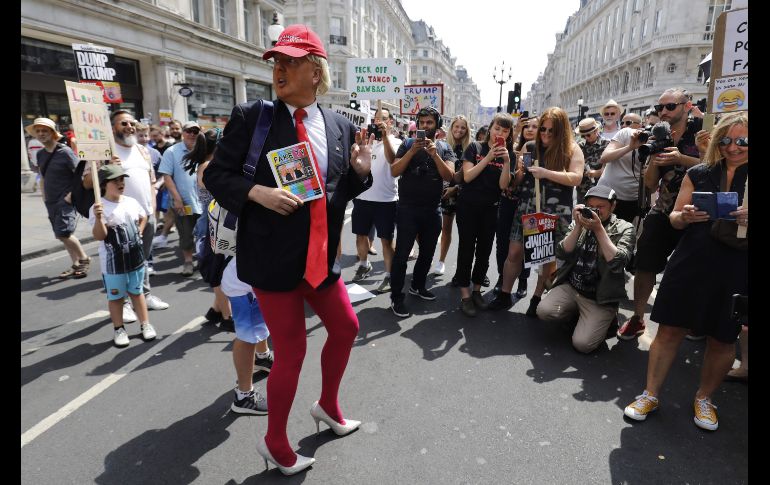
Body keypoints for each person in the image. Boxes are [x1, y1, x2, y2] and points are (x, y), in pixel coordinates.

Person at [203, 24, 372, 475]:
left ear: (316, 71)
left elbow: (337, 193)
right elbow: (216, 177)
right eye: (276, 61)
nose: (279, 68)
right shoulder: (253, 116)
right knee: (291, 353)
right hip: (272, 260)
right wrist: (259, 194)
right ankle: (275, 441)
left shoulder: (339, 125)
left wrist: (360, 172)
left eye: (290, 61)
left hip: (320, 260)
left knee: (346, 326)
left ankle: (328, 406)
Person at [624, 111, 748, 431]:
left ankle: (705, 398)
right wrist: (686, 215)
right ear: (717, 141)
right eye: (727, 140)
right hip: (692, 259)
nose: (734, 147)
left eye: (743, 141)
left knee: (722, 339)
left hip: (737, 267)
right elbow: (674, 217)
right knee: (669, 330)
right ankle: (650, 393)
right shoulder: (702, 172)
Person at [615, 88, 703, 340]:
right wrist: (655, 156)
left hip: (697, 213)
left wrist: (683, 158)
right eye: (659, 107)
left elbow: (717, 167)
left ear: (687, 106)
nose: (663, 112)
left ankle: (695, 319)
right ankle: (638, 317)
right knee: (645, 263)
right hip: (664, 209)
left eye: (670, 106)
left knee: (695, 268)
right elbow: (651, 183)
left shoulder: (703, 131)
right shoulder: (659, 133)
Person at [489, 107, 584, 313]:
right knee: (514, 252)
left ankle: (536, 298)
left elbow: (576, 177)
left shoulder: (572, 149)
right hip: (528, 206)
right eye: (544, 130)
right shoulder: (531, 146)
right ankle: (505, 294)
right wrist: (520, 170)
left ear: (561, 130)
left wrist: (546, 173)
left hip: (554, 210)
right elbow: (520, 178)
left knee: (545, 257)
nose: (546, 134)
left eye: (552, 131)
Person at [536, 185, 635, 353]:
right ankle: (577, 315)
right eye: (591, 206)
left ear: (613, 206)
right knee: (544, 311)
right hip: (572, 287)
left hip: (599, 297)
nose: (595, 211)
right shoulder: (580, 221)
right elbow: (562, 252)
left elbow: (618, 263)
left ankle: (607, 320)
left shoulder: (624, 228)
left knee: (583, 345)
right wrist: (577, 227)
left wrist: (598, 229)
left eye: (601, 207)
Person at [389, 106, 456, 318]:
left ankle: (417, 286)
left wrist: (435, 155)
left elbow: (450, 176)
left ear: (437, 125)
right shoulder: (407, 144)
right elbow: (394, 171)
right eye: (422, 122)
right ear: (417, 125)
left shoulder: (445, 148)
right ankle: (396, 297)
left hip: (432, 209)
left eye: (429, 122)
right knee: (401, 255)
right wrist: (411, 152)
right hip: (407, 209)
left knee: (427, 253)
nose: (425, 126)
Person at [102, 112, 170, 321]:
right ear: (113, 127)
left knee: (142, 260)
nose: (130, 127)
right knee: (120, 264)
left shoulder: (143, 150)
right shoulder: (107, 152)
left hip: (146, 216)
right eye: (124, 123)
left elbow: (150, 181)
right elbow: (89, 183)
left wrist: (151, 210)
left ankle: (145, 295)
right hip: (119, 218)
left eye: (132, 123)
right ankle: (123, 303)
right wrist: (105, 165)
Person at [90, 164, 157, 347]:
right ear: (104, 184)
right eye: (115, 180)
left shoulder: (131, 202)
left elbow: (143, 217)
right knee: (116, 297)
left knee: (138, 292)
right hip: (113, 264)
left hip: (135, 259)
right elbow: (99, 236)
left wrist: (139, 232)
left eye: (122, 179)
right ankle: (119, 329)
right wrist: (98, 218)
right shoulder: (99, 208)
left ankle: (145, 324)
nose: (121, 183)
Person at [455, 113, 514, 317]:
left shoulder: (509, 154)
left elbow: (503, 185)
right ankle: (465, 294)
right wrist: (488, 157)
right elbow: (468, 176)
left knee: (484, 250)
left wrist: (506, 162)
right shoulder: (475, 147)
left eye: (505, 131)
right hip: (468, 207)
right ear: (490, 128)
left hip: (491, 208)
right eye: (498, 128)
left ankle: (477, 289)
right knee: (466, 248)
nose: (500, 133)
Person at [27, 117, 91, 279]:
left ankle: (83, 258)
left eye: (45, 131)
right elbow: (43, 176)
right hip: (50, 200)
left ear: (52, 133)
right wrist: (44, 196)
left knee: (64, 232)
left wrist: (71, 196)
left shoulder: (65, 151)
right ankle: (76, 263)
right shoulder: (40, 154)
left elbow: (80, 174)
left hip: (65, 199)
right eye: (38, 131)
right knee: (60, 234)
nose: (41, 134)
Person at [187, 128, 236, 331]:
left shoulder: (208, 165)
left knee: (222, 270)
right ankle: (227, 317)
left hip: (215, 225)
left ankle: (215, 310)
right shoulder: (208, 166)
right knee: (218, 275)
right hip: (211, 228)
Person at [350, 107, 401, 293]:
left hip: (386, 200)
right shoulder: (365, 140)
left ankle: (389, 275)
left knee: (386, 240)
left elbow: (393, 160)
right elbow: (355, 166)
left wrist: (386, 137)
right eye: (376, 118)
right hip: (362, 198)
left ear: (390, 122)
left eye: (384, 119)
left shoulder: (396, 141)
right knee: (360, 235)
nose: (379, 121)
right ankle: (364, 264)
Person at [494, 116, 538, 298]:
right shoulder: (510, 148)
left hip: (530, 204)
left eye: (535, 126)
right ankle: (502, 277)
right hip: (508, 201)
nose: (530, 129)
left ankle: (523, 279)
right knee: (503, 241)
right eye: (526, 126)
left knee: (528, 243)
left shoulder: (541, 149)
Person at [221, 256, 271, 414]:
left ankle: (262, 357)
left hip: (251, 276)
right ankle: (244, 396)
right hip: (243, 281)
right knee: (247, 337)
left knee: (259, 325)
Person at [155, 121, 204, 276]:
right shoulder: (172, 151)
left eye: (195, 131)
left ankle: (203, 260)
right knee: (185, 232)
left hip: (204, 201)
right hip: (184, 201)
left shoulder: (203, 149)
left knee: (205, 233)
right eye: (188, 131)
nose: (192, 134)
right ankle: (188, 262)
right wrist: (177, 199)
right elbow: (167, 176)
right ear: (183, 133)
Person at [432, 115, 470, 279]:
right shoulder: (441, 145)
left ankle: (444, 262)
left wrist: (455, 188)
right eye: (456, 126)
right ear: (451, 127)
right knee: (436, 228)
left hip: (459, 195)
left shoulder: (470, 148)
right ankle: (433, 258)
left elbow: (469, 175)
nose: (459, 130)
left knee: (454, 231)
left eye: (463, 128)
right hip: (438, 192)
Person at [597, 113, 646, 224]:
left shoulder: (651, 140)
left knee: (620, 235)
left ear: (640, 125)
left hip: (631, 198)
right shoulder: (624, 133)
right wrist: (629, 147)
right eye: (622, 123)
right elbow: (604, 158)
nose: (624, 125)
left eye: (628, 123)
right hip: (607, 194)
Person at [575, 118, 609, 204]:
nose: (586, 138)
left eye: (588, 135)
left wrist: (598, 172)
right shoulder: (579, 146)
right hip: (583, 190)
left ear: (596, 131)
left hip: (601, 189)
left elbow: (613, 166)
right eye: (583, 135)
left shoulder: (607, 144)